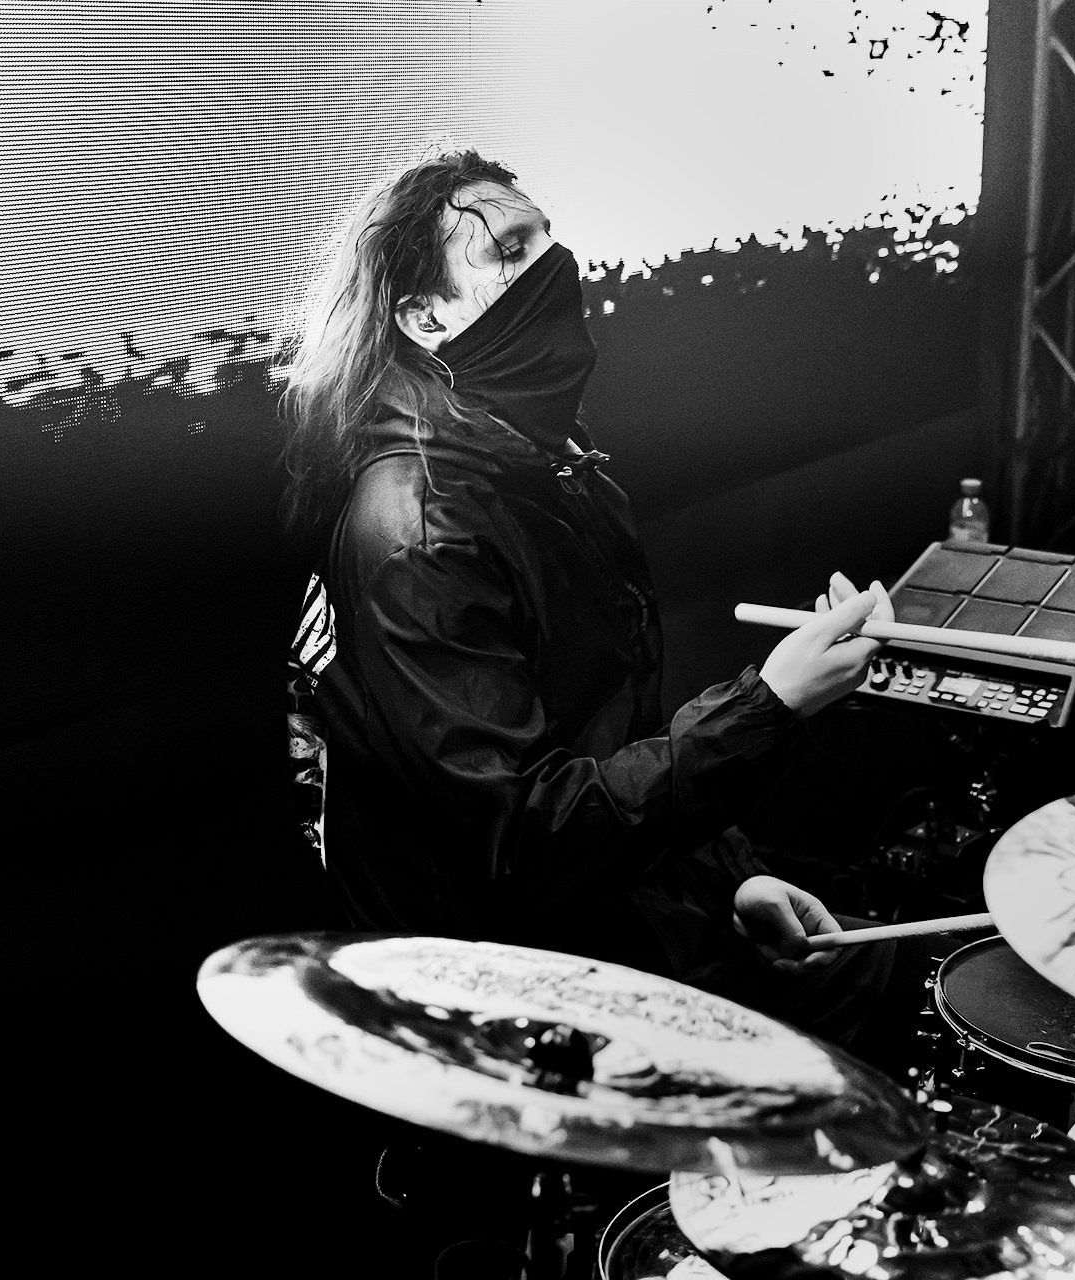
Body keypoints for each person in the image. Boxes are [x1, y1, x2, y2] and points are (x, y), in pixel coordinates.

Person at [279, 148, 899, 1042]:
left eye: (547, 239)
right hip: (506, 975)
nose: (555, 267)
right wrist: (769, 705)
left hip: (609, 894)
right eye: (510, 251)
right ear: (423, 316)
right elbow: (523, 838)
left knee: (886, 971)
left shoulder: (557, 465)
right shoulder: (421, 532)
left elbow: (611, 739)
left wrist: (734, 881)